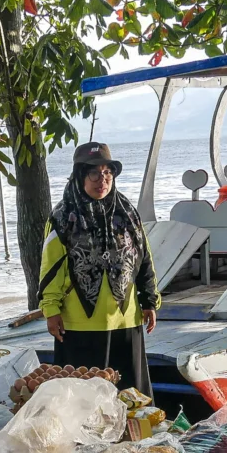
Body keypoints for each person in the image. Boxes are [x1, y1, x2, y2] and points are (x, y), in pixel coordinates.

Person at [38, 142, 160, 394]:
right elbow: (51, 268)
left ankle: (134, 434)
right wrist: (50, 309)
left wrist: (149, 301)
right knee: (81, 398)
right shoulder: (63, 217)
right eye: (93, 173)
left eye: (107, 173)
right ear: (80, 176)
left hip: (125, 320)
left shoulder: (127, 212)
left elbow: (143, 258)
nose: (101, 180)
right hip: (79, 324)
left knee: (131, 395)